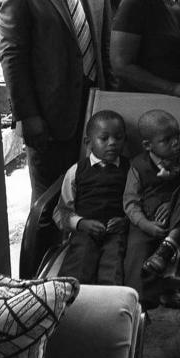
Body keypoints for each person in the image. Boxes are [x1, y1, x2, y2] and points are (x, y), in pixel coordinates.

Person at [0, 0, 112, 203]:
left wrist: (110, 99)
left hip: (95, 113)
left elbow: (105, 46)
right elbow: (13, 57)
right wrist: (27, 116)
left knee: (92, 197)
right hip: (47, 119)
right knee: (48, 205)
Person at [122, 109, 180, 310]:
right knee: (136, 251)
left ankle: (168, 271)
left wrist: (172, 203)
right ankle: (139, 302)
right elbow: (130, 201)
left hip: (179, 223)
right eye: (167, 140)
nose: (175, 143)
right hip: (146, 221)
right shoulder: (138, 166)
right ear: (148, 145)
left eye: (177, 137)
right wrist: (145, 224)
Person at [52, 110, 129, 285]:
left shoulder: (130, 170)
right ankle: (71, 301)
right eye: (104, 138)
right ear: (89, 143)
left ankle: (109, 304)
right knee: (79, 258)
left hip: (116, 232)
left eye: (118, 138)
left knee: (114, 261)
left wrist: (125, 222)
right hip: (85, 230)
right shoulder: (76, 171)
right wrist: (80, 223)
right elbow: (61, 211)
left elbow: (138, 204)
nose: (112, 143)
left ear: (125, 140)